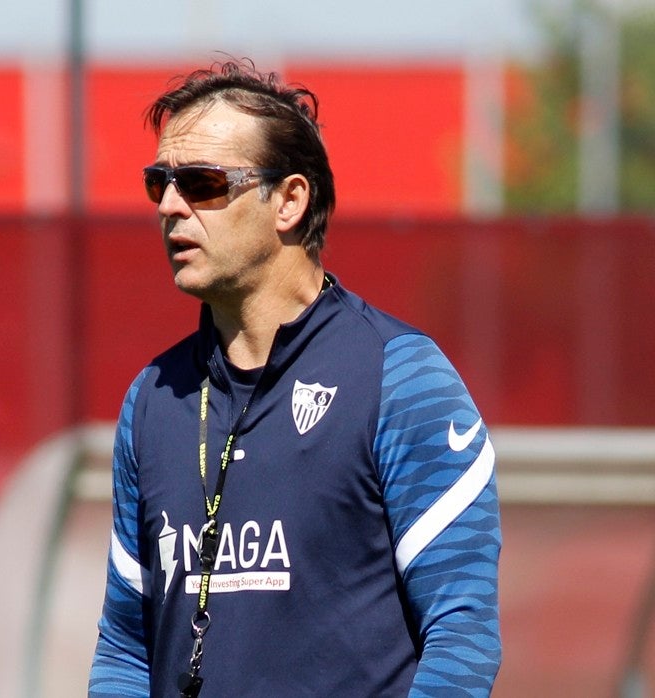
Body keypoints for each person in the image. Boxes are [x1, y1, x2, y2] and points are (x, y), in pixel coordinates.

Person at [88, 60, 501, 697]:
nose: (170, 206)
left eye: (202, 183)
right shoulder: (153, 399)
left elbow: (463, 635)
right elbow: (124, 649)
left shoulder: (400, 377)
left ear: (289, 201)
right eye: (159, 183)